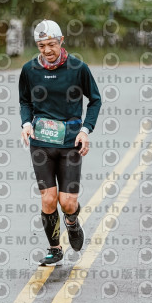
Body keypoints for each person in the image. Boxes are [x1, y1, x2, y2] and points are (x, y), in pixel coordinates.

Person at [19, 20, 102, 266]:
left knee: (67, 202)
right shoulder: (29, 70)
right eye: (41, 45)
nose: (47, 50)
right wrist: (26, 123)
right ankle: (54, 248)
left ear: (61, 41)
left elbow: (95, 100)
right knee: (48, 199)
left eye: (51, 44)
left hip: (70, 142)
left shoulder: (78, 68)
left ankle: (72, 221)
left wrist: (85, 130)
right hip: (41, 142)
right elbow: (25, 101)